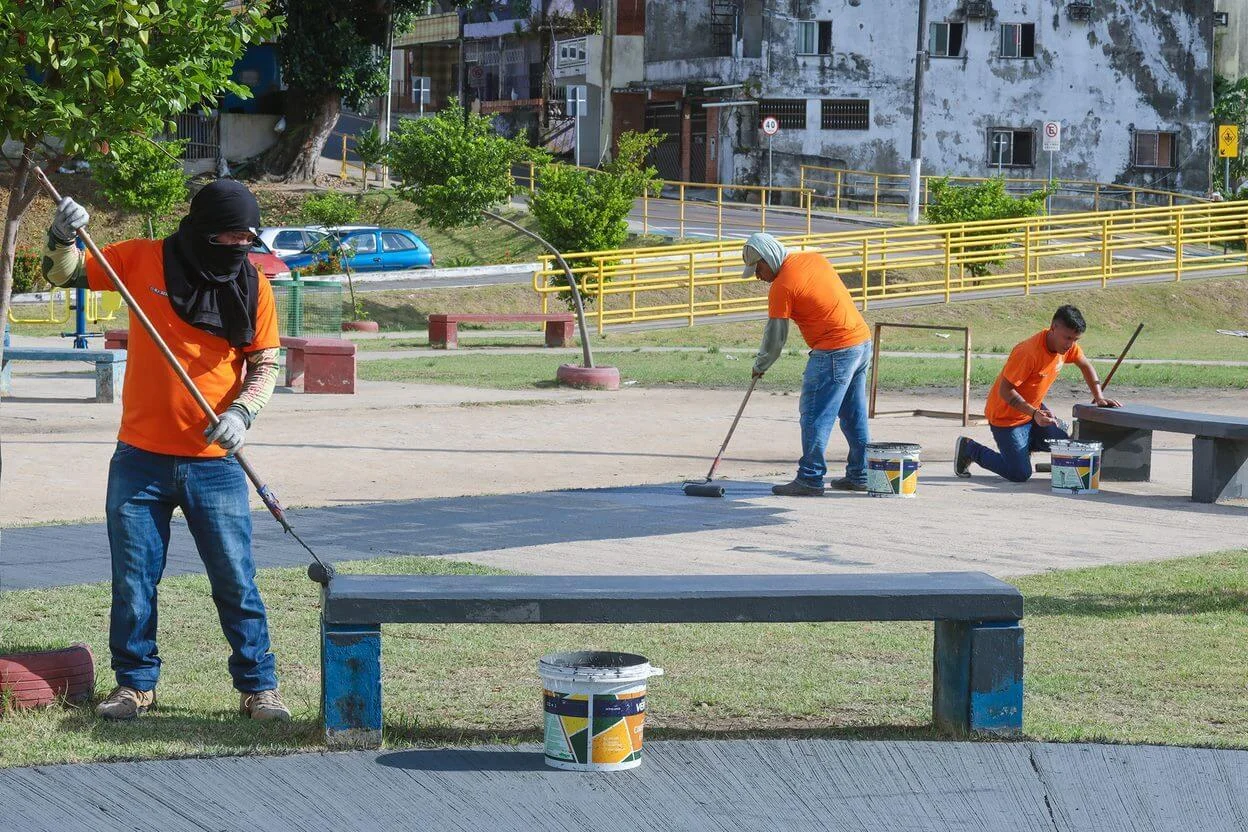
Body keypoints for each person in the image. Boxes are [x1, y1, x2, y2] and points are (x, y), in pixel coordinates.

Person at [43, 181, 290, 722]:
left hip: (216, 465)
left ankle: (259, 688)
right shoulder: (141, 259)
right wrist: (61, 235)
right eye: (228, 236)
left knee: (235, 579)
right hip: (139, 459)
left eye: (246, 237)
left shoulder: (253, 284)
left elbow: (267, 362)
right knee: (133, 581)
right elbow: (65, 273)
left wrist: (242, 413)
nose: (238, 245)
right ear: (202, 229)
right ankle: (134, 685)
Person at [745, 232, 873, 496]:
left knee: (815, 413)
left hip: (834, 350)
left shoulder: (782, 286)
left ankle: (810, 478)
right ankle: (860, 474)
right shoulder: (814, 258)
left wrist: (761, 365)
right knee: (853, 413)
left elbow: (775, 337)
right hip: (861, 342)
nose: (757, 276)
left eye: (757, 268)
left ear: (768, 259)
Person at [954, 305, 1121, 483]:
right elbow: (1005, 390)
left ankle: (1024, 446)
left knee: (1066, 446)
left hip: (1034, 413)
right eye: (1067, 338)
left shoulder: (1067, 346)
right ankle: (969, 448)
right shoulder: (1028, 352)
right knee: (1019, 473)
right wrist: (1034, 414)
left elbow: (1085, 365)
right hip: (1007, 418)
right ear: (1053, 327)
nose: (1070, 344)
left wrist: (1099, 397)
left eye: (1075, 339)